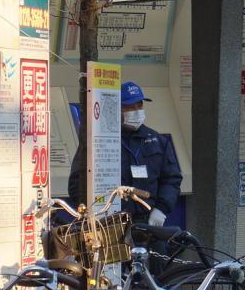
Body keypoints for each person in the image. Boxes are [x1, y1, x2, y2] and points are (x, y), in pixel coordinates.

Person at [64, 80, 183, 225]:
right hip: (110, 223)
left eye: (139, 105)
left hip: (148, 221)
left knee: (160, 248)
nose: (136, 110)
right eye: (129, 107)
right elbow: (78, 182)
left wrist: (161, 210)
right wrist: (91, 212)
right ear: (116, 108)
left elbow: (172, 179)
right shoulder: (100, 141)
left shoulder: (157, 141)